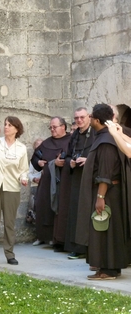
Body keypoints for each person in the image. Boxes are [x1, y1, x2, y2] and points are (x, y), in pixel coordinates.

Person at [75, 104, 130, 280]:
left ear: (97, 121)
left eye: (91, 117)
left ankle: (109, 269)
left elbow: (105, 172)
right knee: (105, 230)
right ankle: (107, 267)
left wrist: (100, 197)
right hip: (108, 193)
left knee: (106, 230)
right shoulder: (106, 137)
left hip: (108, 194)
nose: (89, 119)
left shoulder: (107, 141)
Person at [0, 116, 28, 265]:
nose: (6, 127)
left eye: (9, 125)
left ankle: (9, 254)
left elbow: (24, 169)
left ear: (17, 129)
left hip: (12, 188)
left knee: (9, 223)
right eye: (5, 124)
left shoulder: (21, 148)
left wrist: (24, 178)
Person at [30, 116, 71, 250]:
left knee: (60, 210)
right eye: (51, 127)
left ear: (63, 127)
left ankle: (58, 239)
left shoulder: (70, 140)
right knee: (44, 207)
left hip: (64, 183)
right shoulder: (46, 143)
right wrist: (39, 162)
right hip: (46, 182)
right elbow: (35, 158)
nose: (52, 129)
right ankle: (45, 236)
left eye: (55, 127)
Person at [60, 108, 95, 259]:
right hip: (77, 178)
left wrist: (88, 160)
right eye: (76, 118)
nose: (79, 120)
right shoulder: (74, 135)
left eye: (82, 117)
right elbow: (67, 156)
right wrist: (71, 163)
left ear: (89, 117)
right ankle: (77, 247)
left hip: (91, 178)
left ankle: (91, 247)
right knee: (75, 211)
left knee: (88, 211)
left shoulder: (96, 133)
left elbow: (100, 155)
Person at [28, 138, 43, 231]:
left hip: (44, 186)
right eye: (37, 145)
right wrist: (33, 178)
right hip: (35, 186)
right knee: (34, 210)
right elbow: (29, 173)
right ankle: (38, 235)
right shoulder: (33, 160)